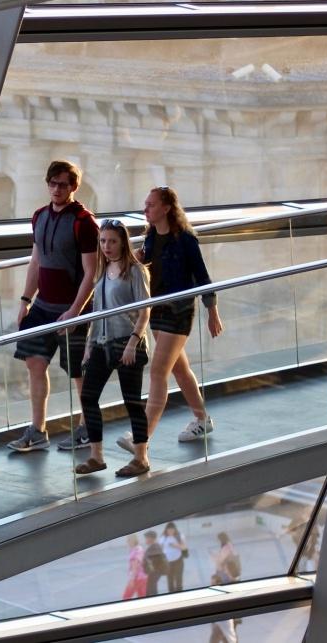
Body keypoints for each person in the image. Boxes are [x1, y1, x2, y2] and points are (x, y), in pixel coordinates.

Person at [117, 186, 224, 460]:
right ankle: (202, 419)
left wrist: (212, 311)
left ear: (166, 208)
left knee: (157, 373)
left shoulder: (185, 240)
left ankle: (143, 437)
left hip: (178, 313)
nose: (146, 209)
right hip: (157, 312)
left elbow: (202, 276)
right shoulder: (151, 238)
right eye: (145, 204)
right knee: (180, 370)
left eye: (151, 204)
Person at [8, 161, 99, 452]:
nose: (57, 189)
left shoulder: (84, 222)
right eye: (53, 183)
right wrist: (25, 300)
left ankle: (87, 428)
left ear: (74, 187)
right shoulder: (39, 216)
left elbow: (91, 273)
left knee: (78, 372)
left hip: (74, 308)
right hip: (43, 306)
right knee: (34, 362)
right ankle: (38, 429)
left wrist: (75, 311)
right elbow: (36, 261)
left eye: (63, 184)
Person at [74, 219, 152, 477]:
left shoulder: (135, 271)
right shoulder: (103, 270)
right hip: (102, 343)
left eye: (112, 241)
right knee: (88, 397)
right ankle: (96, 456)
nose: (106, 246)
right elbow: (97, 312)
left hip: (127, 343)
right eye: (103, 241)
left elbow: (145, 310)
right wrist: (88, 345)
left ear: (123, 242)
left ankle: (141, 457)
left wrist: (133, 342)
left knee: (132, 401)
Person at [160, 522, 188, 592]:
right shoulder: (163, 537)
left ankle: (179, 595)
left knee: (178, 579)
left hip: (178, 561)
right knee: (170, 580)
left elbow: (184, 548)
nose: (170, 532)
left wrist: (176, 545)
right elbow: (160, 550)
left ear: (175, 529)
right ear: (166, 530)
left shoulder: (180, 536)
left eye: (172, 530)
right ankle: (171, 595)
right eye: (169, 530)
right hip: (168, 563)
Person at [122, 534, 147, 600]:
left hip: (137, 578)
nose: (127, 542)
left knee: (126, 597)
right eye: (127, 540)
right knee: (142, 597)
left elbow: (135, 565)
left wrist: (132, 580)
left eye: (129, 540)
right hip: (143, 577)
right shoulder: (139, 548)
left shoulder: (136, 550)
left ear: (134, 540)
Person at [143, 530, 168, 596]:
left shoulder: (155, 547)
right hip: (154, 573)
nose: (145, 539)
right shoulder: (154, 546)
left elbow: (153, 561)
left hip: (154, 573)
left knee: (150, 590)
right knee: (153, 589)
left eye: (146, 538)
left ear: (151, 538)